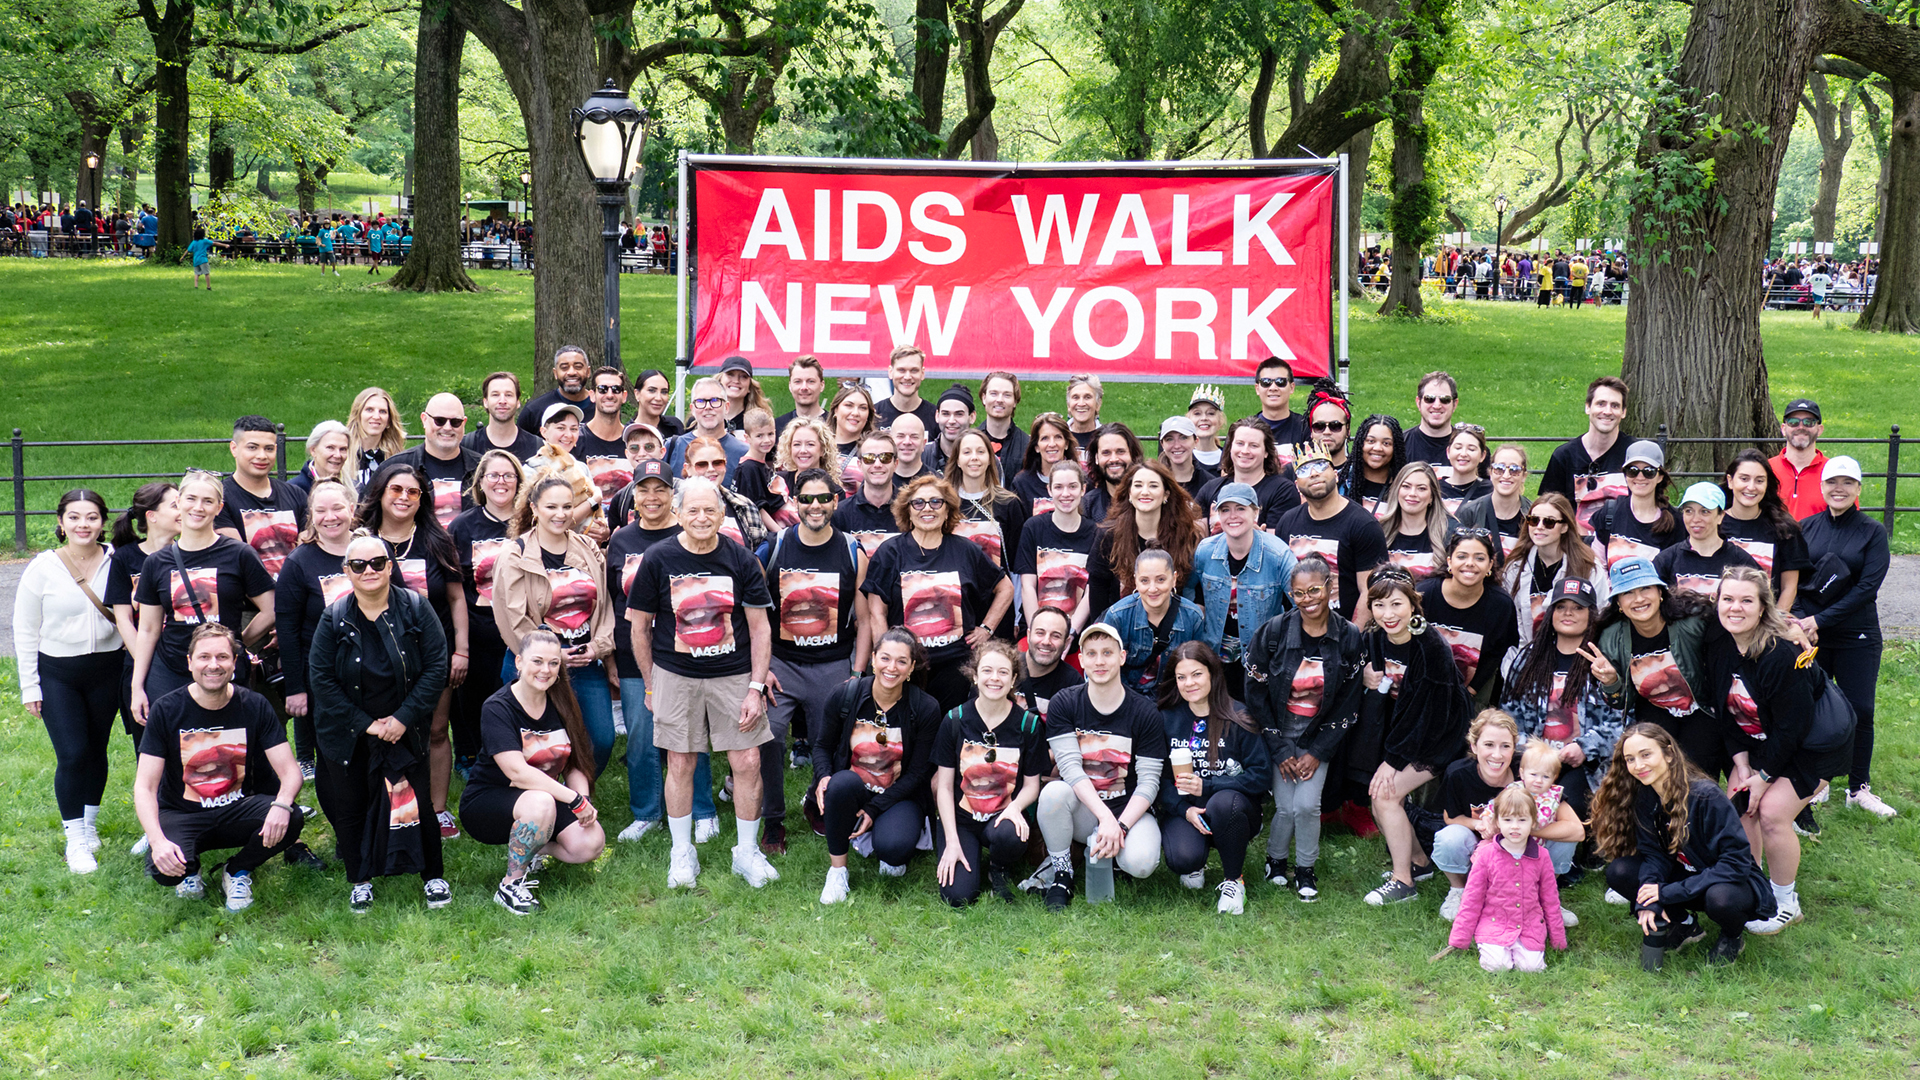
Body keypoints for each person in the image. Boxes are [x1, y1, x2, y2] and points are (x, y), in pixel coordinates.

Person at [628, 477, 781, 890]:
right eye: (692, 510)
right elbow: (639, 628)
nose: (700, 517)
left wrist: (754, 687)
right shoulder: (658, 559)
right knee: (680, 762)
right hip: (675, 675)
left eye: (709, 510)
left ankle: (746, 853)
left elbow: (760, 629)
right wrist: (650, 685)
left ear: (722, 515)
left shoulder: (742, 560)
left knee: (747, 762)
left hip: (733, 675)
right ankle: (682, 854)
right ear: (677, 513)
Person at [306, 533, 452, 912]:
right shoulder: (333, 617)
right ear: (346, 572)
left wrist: (403, 719)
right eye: (358, 565)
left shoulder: (416, 608)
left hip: (408, 726)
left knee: (418, 802)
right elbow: (321, 679)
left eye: (376, 563)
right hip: (349, 732)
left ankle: (433, 876)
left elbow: (437, 666)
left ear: (390, 566)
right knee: (351, 805)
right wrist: (368, 725)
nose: (368, 570)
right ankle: (360, 879)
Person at [134, 625, 306, 911]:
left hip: (239, 810)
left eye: (222, 657)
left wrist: (282, 805)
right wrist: (157, 840)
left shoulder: (254, 704)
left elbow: (290, 772)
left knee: (292, 818)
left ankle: (237, 870)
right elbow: (145, 786)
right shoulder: (167, 709)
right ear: (189, 663)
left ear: (234, 663)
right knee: (163, 871)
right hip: (183, 814)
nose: (213, 665)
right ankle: (190, 868)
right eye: (204, 657)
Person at [1591, 723, 1774, 969]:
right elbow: (1654, 855)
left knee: (1721, 899)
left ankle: (1732, 936)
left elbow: (1735, 864)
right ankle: (1685, 925)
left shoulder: (1706, 796)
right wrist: (1649, 901)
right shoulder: (1645, 796)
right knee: (1620, 871)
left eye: (1646, 755)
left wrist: (1666, 893)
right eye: (1630, 759)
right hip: (1687, 877)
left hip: (1727, 881)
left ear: (1668, 754)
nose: (1639, 765)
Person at [759, 467, 870, 855]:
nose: (816, 505)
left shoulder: (853, 551)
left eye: (824, 498)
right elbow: (753, 613)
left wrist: (857, 671)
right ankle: (773, 820)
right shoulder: (773, 548)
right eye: (807, 498)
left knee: (835, 742)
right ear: (795, 502)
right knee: (769, 737)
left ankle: (816, 799)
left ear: (836, 501)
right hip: (783, 664)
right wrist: (762, 669)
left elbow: (866, 617)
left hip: (833, 663)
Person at [606, 460, 717, 844]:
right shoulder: (620, 541)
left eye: (661, 489)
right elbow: (609, 600)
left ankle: (702, 810)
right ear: (632, 494)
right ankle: (647, 811)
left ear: (674, 495)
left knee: (690, 736)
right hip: (634, 652)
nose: (652, 497)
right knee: (639, 734)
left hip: (685, 653)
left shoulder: (689, 532)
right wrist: (610, 658)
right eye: (644, 489)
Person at [1022, 622, 1170, 911]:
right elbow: (1070, 768)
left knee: (1141, 864)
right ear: (1082, 659)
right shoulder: (1066, 702)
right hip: (1084, 810)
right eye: (1091, 654)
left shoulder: (1145, 712)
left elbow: (1150, 782)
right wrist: (1104, 819)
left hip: (1129, 811)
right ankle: (1062, 872)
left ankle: (1112, 858)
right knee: (1053, 794)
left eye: (1107, 653)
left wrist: (1121, 825)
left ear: (1122, 657)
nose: (1099, 661)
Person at [356, 461, 469, 836]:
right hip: (377, 659)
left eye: (413, 492)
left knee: (436, 731)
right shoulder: (363, 541)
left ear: (423, 499)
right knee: (386, 733)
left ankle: (436, 809)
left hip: (434, 656)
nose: (404, 497)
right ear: (381, 493)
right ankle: (387, 811)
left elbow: (455, 599)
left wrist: (462, 651)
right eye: (396, 490)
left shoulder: (437, 540)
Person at [14, 489, 125, 873]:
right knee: (73, 753)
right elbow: (25, 630)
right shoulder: (42, 567)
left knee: (96, 749)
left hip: (108, 670)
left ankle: (89, 825)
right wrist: (30, 685)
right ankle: (75, 841)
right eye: (74, 517)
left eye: (92, 517)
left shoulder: (117, 560)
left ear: (103, 522)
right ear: (61, 523)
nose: (83, 525)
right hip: (59, 674)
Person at [459, 629, 608, 915]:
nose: (546, 670)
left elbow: (576, 762)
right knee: (540, 801)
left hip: (546, 801)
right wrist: (572, 800)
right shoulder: (498, 707)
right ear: (518, 662)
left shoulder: (563, 702)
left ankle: (535, 846)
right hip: (489, 803)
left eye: (554, 663)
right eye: (537, 661)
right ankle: (510, 885)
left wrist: (584, 801)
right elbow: (517, 773)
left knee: (590, 843)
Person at [1245, 555, 1363, 902]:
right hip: (1279, 732)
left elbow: (1348, 702)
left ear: (1330, 588)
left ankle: (1306, 869)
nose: (1308, 599)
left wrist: (1317, 752)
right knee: (1284, 807)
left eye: (1315, 590)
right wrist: (1279, 749)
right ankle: (1275, 860)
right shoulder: (1273, 633)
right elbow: (1255, 694)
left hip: (1319, 736)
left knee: (1307, 805)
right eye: (1299, 594)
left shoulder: (1349, 636)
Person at [1355, 569, 1475, 905]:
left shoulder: (1430, 646)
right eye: (1379, 605)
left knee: (1384, 797)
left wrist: (1393, 762)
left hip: (1440, 737)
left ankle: (1403, 882)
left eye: (1396, 604)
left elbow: (1427, 715)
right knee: (1380, 796)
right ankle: (1419, 863)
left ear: (1413, 604)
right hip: (1406, 734)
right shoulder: (1376, 638)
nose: (1388, 614)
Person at [491, 474, 618, 772]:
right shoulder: (514, 554)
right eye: (551, 507)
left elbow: (605, 606)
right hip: (534, 663)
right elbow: (512, 617)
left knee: (601, 739)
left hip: (583, 660)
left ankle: (579, 793)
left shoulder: (588, 549)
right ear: (534, 508)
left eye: (567, 507)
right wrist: (549, 655)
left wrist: (598, 648)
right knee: (536, 746)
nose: (560, 515)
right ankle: (545, 799)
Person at [1792, 455, 1896, 819]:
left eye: (1847, 483)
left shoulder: (1872, 532)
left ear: (1858, 489)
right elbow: (1797, 582)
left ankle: (1858, 787)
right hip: (1811, 636)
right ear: (1822, 487)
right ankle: (1816, 783)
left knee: (1860, 709)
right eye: (1832, 482)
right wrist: (1806, 620)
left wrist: (1821, 618)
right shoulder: (1805, 528)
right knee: (1812, 707)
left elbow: (1867, 588)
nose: (1839, 489)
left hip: (1858, 633)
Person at [130, 471, 276, 723]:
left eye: (208, 501)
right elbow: (148, 629)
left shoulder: (239, 554)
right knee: (170, 752)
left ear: (219, 508)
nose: (198, 507)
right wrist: (137, 686)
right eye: (191, 499)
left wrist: (236, 644)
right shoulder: (156, 562)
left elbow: (271, 609)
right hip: (170, 670)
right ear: (179, 503)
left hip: (221, 670)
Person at [810, 628, 943, 902]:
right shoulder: (845, 695)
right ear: (872, 659)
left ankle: (881, 832)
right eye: (885, 658)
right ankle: (837, 872)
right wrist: (824, 776)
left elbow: (918, 773)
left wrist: (874, 808)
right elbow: (822, 746)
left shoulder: (926, 708)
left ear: (911, 667)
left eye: (901, 661)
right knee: (840, 783)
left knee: (893, 851)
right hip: (854, 786)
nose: (891, 667)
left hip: (900, 795)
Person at [863, 476, 1015, 710]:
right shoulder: (889, 552)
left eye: (936, 502)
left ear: (947, 510)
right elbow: (876, 611)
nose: (927, 508)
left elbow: (1005, 587)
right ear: (908, 511)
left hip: (955, 665)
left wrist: (986, 628)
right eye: (919, 503)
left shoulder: (966, 550)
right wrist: (887, 659)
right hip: (906, 665)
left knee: (948, 732)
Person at [1156, 642, 1270, 914]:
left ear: (1213, 674)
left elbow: (1261, 775)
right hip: (1187, 809)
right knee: (1183, 859)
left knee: (1222, 803)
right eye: (1181, 677)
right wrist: (1185, 810)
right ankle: (1197, 860)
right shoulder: (1166, 718)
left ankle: (1234, 881)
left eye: (1197, 674)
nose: (1189, 683)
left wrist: (1208, 785)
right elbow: (1157, 780)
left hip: (1232, 808)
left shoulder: (1238, 715)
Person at [1498, 577, 1625, 823]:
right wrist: (1532, 752)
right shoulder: (1528, 659)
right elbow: (1508, 717)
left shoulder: (1603, 660)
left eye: (1578, 607)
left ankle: (1582, 845)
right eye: (1561, 606)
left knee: (1570, 804)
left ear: (1591, 615)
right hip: (1531, 758)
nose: (1569, 613)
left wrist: (1586, 747)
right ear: (1551, 613)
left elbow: (1622, 721)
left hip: (1586, 763)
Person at [931, 640, 1046, 906]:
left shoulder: (1028, 724)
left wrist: (1015, 808)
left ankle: (999, 867)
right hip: (962, 819)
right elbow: (945, 787)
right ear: (975, 675)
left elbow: (1032, 785)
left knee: (1010, 834)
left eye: (1003, 672)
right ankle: (965, 852)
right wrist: (951, 842)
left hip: (1001, 816)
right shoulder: (954, 720)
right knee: (958, 897)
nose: (995, 678)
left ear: (1014, 678)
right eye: (987, 671)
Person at [275, 478, 360, 777]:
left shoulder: (372, 551)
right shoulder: (299, 562)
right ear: (311, 515)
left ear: (351, 509)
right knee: (335, 757)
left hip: (374, 669)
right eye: (321, 511)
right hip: (324, 674)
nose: (330, 517)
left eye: (337, 508)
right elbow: (287, 629)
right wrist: (296, 688)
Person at [447, 452, 523, 780]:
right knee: (473, 697)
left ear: (519, 482)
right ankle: (472, 758)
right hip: (478, 627)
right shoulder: (462, 526)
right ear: (480, 482)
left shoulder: (530, 521)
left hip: (520, 628)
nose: (501, 482)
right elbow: (454, 583)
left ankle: (516, 757)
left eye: (508, 475)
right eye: (493, 475)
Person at [1186, 481, 1296, 698]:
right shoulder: (1205, 552)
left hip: (1262, 654)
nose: (1232, 516)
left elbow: (1299, 604)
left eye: (1241, 508)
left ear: (1255, 513)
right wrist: (1199, 623)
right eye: (1225, 510)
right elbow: (1190, 591)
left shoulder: (1278, 555)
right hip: (1216, 650)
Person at [1444, 785, 1570, 973]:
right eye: (1508, 820)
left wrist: (1558, 939)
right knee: (1497, 966)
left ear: (1533, 822)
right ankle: (1494, 947)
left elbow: (1550, 900)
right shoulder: (1486, 855)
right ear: (1497, 822)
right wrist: (1459, 939)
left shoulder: (1542, 856)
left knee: (1532, 968)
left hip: (1529, 925)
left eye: (1522, 820)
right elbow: (1472, 899)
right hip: (1495, 922)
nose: (1515, 826)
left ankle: (1524, 949)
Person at [107, 482, 181, 773]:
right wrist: (147, 665)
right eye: (175, 505)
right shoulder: (126, 558)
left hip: (182, 662)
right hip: (142, 664)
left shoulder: (187, 553)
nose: (184, 510)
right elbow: (123, 618)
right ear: (151, 516)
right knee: (151, 751)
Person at [1277, 449, 1388, 621]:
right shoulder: (1287, 522)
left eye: (1321, 466)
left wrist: (1353, 639)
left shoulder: (1363, 525)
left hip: (1344, 631)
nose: (1314, 474)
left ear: (1336, 475)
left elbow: (1370, 591)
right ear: (1297, 484)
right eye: (1304, 470)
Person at [1087, 460, 1203, 621]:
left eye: (1153, 486)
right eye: (1138, 485)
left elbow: (1196, 590)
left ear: (1166, 494)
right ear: (1129, 493)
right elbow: (1098, 588)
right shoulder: (1108, 536)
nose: (1145, 492)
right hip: (1119, 627)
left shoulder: (1186, 536)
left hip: (1174, 627)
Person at [1418, 529, 1519, 703]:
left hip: (1471, 694)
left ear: (1490, 564)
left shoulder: (1501, 605)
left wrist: (1470, 693)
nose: (1470, 563)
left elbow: (1496, 653)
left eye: (1479, 558)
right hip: (1420, 690)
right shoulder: (1424, 595)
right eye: (1462, 556)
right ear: (1449, 562)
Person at [1499, 491, 1604, 640]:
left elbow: (1600, 614)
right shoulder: (1515, 566)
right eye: (1534, 520)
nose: (1539, 527)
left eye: (1549, 522)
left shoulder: (1588, 567)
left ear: (1564, 527)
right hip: (1524, 654)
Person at [1103, 549, 1206, 697]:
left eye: (1160, 579)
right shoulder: (1117, 616)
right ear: (1136, 581)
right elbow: (1108, 668)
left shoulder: (1193, 617)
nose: (1152, 588)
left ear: (1174, 579)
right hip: (1128, 697)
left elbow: (1198, 669)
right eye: (1144, 580)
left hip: (1174, 698)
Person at [1538, 376, 1630, 540]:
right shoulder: (1564, 456)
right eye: (1600, 404)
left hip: (1623, 546)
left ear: (1623, 412)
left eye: (1615, 405)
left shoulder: (1633, 453)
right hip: (1574, 547)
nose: (1607, 411)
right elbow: (1546, 510)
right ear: (1588, 407)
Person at [1720, 448, 1811, 612]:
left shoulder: (1784, 528)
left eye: (1759, 480)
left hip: (1767, 621)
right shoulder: (1714, 524)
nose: (1751, 487)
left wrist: (1775, 623)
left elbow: (1789, 587)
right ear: (1730, 481)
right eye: (1744, 479)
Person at [1014, 460, 1096, 631]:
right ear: (1050, 490)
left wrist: (1069, 633)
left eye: (1072, 486)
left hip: (1077, 632)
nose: (1065, 493)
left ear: (1083, 489)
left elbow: (1091, 592)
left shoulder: (1095, 533)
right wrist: (1038, 631)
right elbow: (1028, 586)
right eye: (1058, 487)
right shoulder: (1033, 527)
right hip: (1034, 627)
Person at [390, 393, 482, 528]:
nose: (447, 427)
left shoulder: (482, 469)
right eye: (439, 420)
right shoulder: (396, 467)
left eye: (455, 422)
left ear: (464, 423)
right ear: (424, 420)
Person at [1653, 484, 1761, 597]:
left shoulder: (1741, 561)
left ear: (1720, 516)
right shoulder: (1666, 560)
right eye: (1689, 511)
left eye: (1704, 512)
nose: (1695, 519)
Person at [1194, 420, 1299, 531]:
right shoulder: (1210, 489)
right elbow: (1196, 538)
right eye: (1240, 443)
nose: (1245, 451)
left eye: (1254, 445)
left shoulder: (1283, 492)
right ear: (1230, 448)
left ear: (1266, 452)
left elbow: (1279, 544)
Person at [1593, 440, 1680, 569]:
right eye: (1633, 471)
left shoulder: (1676, 523)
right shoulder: (1609, 513)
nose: (1640, 477)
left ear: (1660, 476)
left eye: (1648, 471)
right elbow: (1597, 567)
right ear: (1625, 475)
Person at [831, 429, 902, 556]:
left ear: (895, 463)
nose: (878, 464)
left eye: (885, 458)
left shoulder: (911, 510)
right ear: (859, 464)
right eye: (869, 458)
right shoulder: (840, 514)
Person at [665, 376, 749, 481]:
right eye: (700, 401)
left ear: (726, 407)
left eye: (715, 400)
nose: (708, 407)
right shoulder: (672, 448)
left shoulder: (744, 452)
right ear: (693, 409)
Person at [1454, 444, 1530, 558]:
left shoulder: (1533, 515)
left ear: (1524, 476)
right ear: (1490, 473)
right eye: (1499, 468)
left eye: (1514, 470)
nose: (1506, 475)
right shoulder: (1469, 513)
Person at [1379, 462, 1450, 583]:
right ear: (1397, 490)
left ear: (1432, 497)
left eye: (1421, 488)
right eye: (1406, 486)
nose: (1412, 493)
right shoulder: (1378, 531)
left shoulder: (1448, 534)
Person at [1013, 605, 1083, 721]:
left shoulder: (1073, 684)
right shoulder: (1005, 668)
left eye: (1056, 636)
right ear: (1029, 635)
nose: (1046, 641)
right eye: (1040, 633)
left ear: (1066, 643)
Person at [1768, 398, 1830, 520]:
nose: (1801, 427)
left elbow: (1849, 522)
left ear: (1819, 429)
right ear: (1783, 429)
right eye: (1793, 422)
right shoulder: (1766, 469)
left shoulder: (1833, 470)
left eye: (1809, 422)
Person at [464, 371, 545, 462]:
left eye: (508, 395)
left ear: (518, 402)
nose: (502, 401)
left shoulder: (537, 447)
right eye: (495, 395)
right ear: (485, 402)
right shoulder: (467, 445)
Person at [515, 346, 595, 437]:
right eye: (564, 367)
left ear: (588, 372)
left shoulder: (602, 407)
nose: (572, 372)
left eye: (578, 367)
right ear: (555, 373)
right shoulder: (534, 411)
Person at [1008, 412, 1077, 513]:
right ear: (1036, 447)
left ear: (1066, 444)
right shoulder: (1021, 483)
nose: (1052, 444)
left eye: (1058, 437)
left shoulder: (1081, 480)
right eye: (1045, 438)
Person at [345, 387, 407, 492]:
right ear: (358, 415)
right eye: (369, 410)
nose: (376, 416)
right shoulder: (341, 453)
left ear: (388, 421)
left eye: (383, 411)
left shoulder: (397, 458)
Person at [1345, 414, 1405, 521]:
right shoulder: (1343, 484)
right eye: (1371, 441)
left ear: (1395, 448)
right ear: (1360, 444)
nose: (1377, 448)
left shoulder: (1404, 488)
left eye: (1386, 443)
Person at [976, 371, 1029, 480]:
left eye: (1007, 395)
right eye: (994, 393)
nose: (999, 400)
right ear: (984, 398)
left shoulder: (1027, 445)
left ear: (1015, 401)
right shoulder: (969, 442)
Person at [1248, 357, 1307, 449]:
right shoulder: (1244, 430)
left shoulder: (1306, 428)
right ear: (1257, 388)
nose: (1273, 388)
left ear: (1292, 388)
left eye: (1280, 382)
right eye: (1266, 382)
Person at [1403, 372, 1461, 467]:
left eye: (1445, 399)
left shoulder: (1469, 450)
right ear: (1418, 403)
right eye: (1429, 399)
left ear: (1455, 404)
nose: (1437, 405)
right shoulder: (1400, 446)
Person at [872, 345, 936, 430]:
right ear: (891, 372)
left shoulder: (935, 417)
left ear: (922, 373)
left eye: (914, 370)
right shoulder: (874, 415)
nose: (907, 377)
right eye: (901, 370)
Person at [923, 384, 976, 477]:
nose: (951, 421)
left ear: (972, 417)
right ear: (937, 416)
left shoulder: (984, 457)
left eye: (959, 414)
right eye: (946, 414)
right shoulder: (922, 454)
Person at [1438, 425, 1492, 514]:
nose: (1463, 454)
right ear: (1448, 452)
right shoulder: (1434, 489)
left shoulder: (1491, 491)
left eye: (1471, 449)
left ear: (1482, 455)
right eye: (1458, 448)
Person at [1156, 415, 1214, 498]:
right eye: (1169, 439)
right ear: (1162, 445)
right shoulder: (1154, 482)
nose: (1177, 445)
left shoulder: (1209, 484)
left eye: (1183, 438)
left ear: (1195, 441)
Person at [289, 420, 352, 496]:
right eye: (330, 448)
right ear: (313, 450)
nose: (338, 455)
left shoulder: (356, 489)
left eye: (343, 449)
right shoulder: (293, 490)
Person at [717, 354, 773, 433]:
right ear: (719, 381)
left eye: (743, 376)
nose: (736, 381)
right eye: (730, 374)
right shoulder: (704, 418)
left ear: (749, 386)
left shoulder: (759, 422)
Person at [775, 355, 827, 436]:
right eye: (798, 381)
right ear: (790, 386)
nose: (804, 387)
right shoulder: (777, 427)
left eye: (811, 381)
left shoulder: (835, 426)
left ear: (822, 385)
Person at [631, 368, 685, 441]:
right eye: (652, 390)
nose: (658, 398)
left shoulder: (675, 427)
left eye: (664, 392)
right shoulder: (627, 433)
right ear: (637, 394)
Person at [828, 381, 876, 459]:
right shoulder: (817, 446)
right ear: (835, 410)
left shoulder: (874, 451)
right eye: (849, 405)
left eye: (863, 408)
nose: (855, 413)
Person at [1187, 384, 1227, 473]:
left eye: (1211, 413)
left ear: (1220, 420)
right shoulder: (1182, 458)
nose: (1204, 418)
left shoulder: (1229, 459)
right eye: (1197, 413)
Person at [1064, 374, 1103, 459]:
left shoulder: (1107, 436)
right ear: (1068, 405)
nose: (1081, 403)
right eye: (1076, 397)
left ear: (1098, 404)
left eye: (1087, 397)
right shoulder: (1059, 435)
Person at [888, 413, 931, 485]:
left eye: (914, 437)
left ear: (924, 443)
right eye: (901, 436)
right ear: (891, 441)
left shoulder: (937, 484)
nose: (907, 442)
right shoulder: (879, 481)